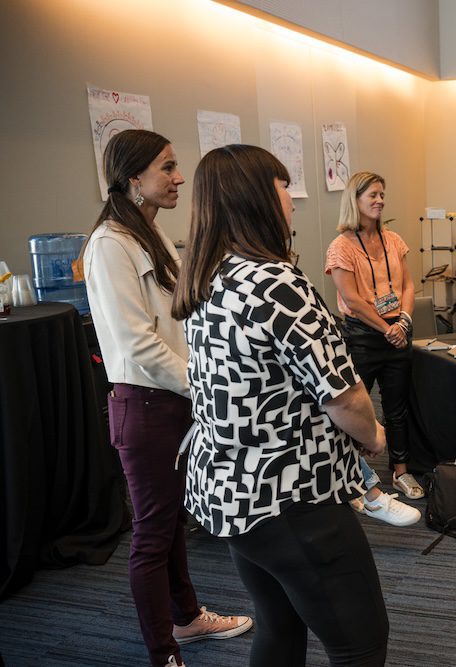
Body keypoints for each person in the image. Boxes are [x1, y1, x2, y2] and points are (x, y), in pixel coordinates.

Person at [172, 145, 389, 666]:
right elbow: (344, 398)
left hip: (230, 490)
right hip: (289, 495)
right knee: (359, 643)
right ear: (258, 198)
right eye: (284, 188)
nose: (292, 201)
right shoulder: (276, 283)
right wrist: (375, 438)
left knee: (279, 624)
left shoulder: (206, 277)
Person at [83, 130, 252, 667]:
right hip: (147, 406)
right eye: (168, 167)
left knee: (171, 522)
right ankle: (163, 653)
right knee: (152, 536)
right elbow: (137, 342)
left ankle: (187, 617)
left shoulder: (147, 236)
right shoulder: (110, 244)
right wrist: (203, 384)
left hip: (173, 399)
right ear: (134, 178)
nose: (180, 178)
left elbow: (178, 320)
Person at [325, 171, 425, 505]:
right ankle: (352, 476)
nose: (380, 201)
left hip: (398, 332)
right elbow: (352, 299)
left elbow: (408, 285)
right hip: (363, 337)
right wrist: (387, 329)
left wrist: (405, 322)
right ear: (355, 200)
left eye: (383, 195)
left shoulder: (394, 240)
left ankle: (400, 471)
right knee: (357, 408)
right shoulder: (340, 247)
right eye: (373, 195)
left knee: (398, 408)